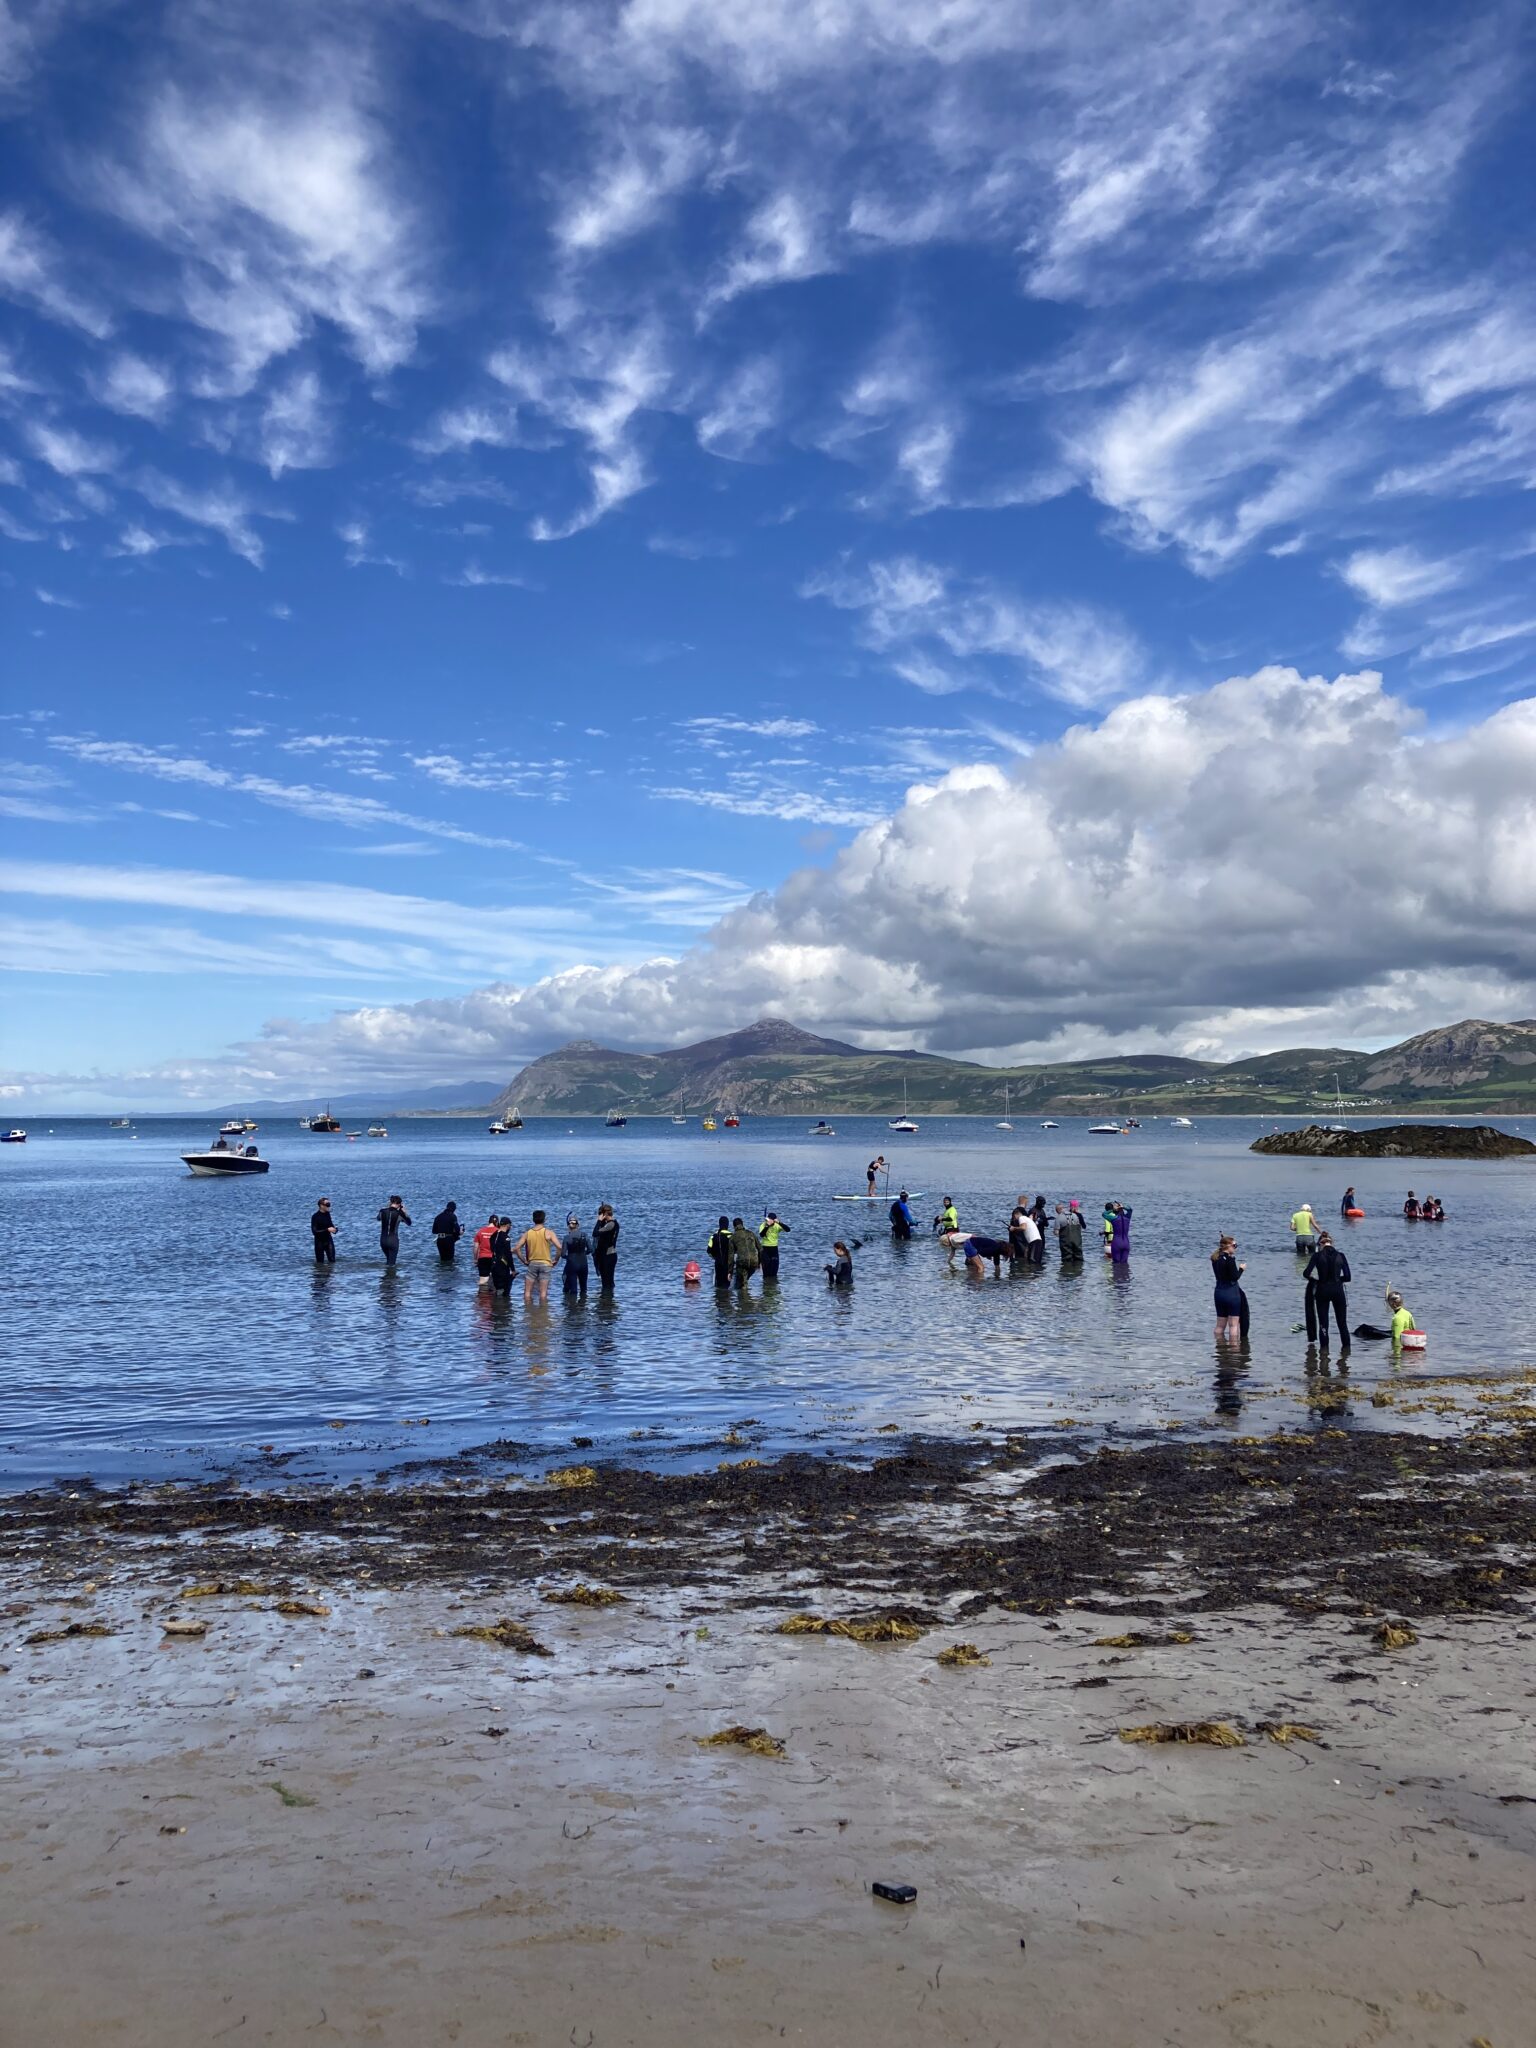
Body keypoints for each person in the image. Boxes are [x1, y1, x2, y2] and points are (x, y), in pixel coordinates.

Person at [1302, 1232, 1351, 1349]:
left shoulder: (1317, 1256)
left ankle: (1324, 1354)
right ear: (1332, 1243)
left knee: (1323, 1324)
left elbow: (1306, 1273)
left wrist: (1315, 1281)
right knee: (1342, 1323)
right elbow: (1348, 1277)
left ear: (1320, 1244)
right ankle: (1346, 1351)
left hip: (1322, 1290)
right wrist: (1338, 1280)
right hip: (1338, 1290)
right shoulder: (1341, 1255)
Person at [514, 1209, 563, 1305]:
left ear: (533, 1220)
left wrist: (523, 1261)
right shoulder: (549, 1233)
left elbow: (517, 1248)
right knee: (543, 1293)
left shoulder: (528, 1233)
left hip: (532, 1263)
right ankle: (543, 1313)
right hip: (546, 1264)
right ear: (544, 1220)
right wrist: (556, 1260)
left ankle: (528, 1311)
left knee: (527, 1292)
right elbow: (560, 1248)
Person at [1211, 1234, 1245, 1342]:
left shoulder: (1215, 1258)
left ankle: (1220, 1347)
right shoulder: (1229, 1260)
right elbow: (1235, 1277)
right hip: (1231, 1294)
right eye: (1234, 1245)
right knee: (1233, 1325)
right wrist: (1241, 1269)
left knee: (1220, 1325)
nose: (1235, 1248)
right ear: (1228, 1246)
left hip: (1219, 1293)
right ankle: (1234, 1352)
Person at [560, 1213, 592, 1299]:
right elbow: (590, 1249)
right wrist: (583, 1253)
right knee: (584, 1288)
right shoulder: (584, 1235)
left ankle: (573, 1308)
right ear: (578, 1225)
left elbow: (562, 1254)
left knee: (573, 1289)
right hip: (583, 1263)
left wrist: (568, 1257)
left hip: (572, 1263)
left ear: (569, 1226)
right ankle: (583, 1307)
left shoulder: (567, 1237)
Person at [377, 1194, 411, 1268]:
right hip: (393, 1240)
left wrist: (387, 1207)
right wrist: (405, 1212)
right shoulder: (400, 1214)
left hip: (383, 1240)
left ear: (390, 1202)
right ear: (399, 1204)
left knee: (388, 1261)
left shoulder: (382, 1211)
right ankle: (391, 1278)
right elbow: (409, 1223)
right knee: (392, 1264)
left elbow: (378, 1218)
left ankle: (386, 1278)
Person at [592, 1203, 619, 1291]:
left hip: (608, 1255)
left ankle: (607, 1301)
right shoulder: (609, 1224)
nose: (599, 1216)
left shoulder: (611, 1224)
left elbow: (595, 1233)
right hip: (606, 1255)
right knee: (606, 1281)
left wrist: (599, 1221)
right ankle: (607, 1301)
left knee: (607, 1282)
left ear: (605, 1214)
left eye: (601, 1214)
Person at [731, 1215, 761, 1288]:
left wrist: (729, 1271)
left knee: (741, 1282)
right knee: (745, 1279)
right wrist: (759, 1263)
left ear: (734, 1227)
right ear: (742, 1224)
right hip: (754, 1261)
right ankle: (745, 1290)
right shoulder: (751, 1233)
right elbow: (760, 1248)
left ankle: (744, 1295)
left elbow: (730, 1255)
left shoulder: (733, 1237)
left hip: (742, 1262)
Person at [758, 1210, 789, 1280]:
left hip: (774, 1249)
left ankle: (772, 1286)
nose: (771, 1222)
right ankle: (765, 1286)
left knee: (774, 1270)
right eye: (769, 1220)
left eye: (772, 1220)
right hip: (765, 1248)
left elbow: (788, 1229)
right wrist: (767, 1226)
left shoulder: (777, 1225)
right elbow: (762, 1235)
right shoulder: (763, 1225)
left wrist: (779, 1222)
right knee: (766, 1271)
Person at [490, 1215, 515, 1297]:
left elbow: (492, 1249)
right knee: (504, 1290)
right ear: (507, 1225)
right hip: (502, 1266)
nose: (510, 1228)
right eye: (510, 1226)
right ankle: (503, 1306)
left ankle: (496, 1306)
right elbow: (508, 1254)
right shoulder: (506, 1237)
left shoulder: (493, 1235)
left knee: (497, 1287)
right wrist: (513, 1269)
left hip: (493, 1264)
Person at [1009, 1199, 1040, 1264]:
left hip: (1034, 1241)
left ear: (1015, 1215)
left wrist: (1013, 1228)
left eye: (1014, 1217)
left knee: (1032, 1261)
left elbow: (1023, 1228)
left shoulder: (1021, 1218)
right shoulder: (1027, 1218)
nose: (1014, 1219)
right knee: (1033, 1260)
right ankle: (1036, 1273)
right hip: (1036, 1241)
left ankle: (1033, 1273)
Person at [431, 1199, 462, 1264]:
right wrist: (459, 1233)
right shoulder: (453, 1216)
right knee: (450, 1260)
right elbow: (457, 1230)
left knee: (442, 1259)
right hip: (448, 1240)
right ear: (454, 1209)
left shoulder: (438, 1217)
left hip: (440, 1240)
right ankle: (449, 1273)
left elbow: (434, 1231)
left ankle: (442, 1273)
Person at [708, 1215, 735, 1289]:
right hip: (729, 1264)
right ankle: (726, 1298)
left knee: (719, 1285)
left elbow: (709, 1251)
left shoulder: (714, 1236)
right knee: (727, 1285)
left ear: (719, 1224)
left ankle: (719, 1298)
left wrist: (715, 1257)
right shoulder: (732, 1236)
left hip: (718, 1262)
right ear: (727, 1224)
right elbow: (736, 1251)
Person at [473, 1212, 498, 1286]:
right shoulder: (498, 1231)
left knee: (482, 1279)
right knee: (494, 1279)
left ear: (488, 1222)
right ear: (497, 1222)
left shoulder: (480, 1231)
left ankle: (481, 1295)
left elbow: (476, 1247)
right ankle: (492, 1296)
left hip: (482, 1257)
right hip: (494, 1258)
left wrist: (475, 1259)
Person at [310, 1197, 336, 1265]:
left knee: (332, 1261)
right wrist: (327, 1230)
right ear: (321, 1205)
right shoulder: (315, 1216)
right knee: (320, 1263)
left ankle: (330, 1273)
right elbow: (314, 1232)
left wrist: (334, 1230)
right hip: (319, 1243)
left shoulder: (327, 1214)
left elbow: (331, 1225)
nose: (329, 1206)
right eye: (327, 1204)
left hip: (328, 1241)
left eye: (329, 1204)